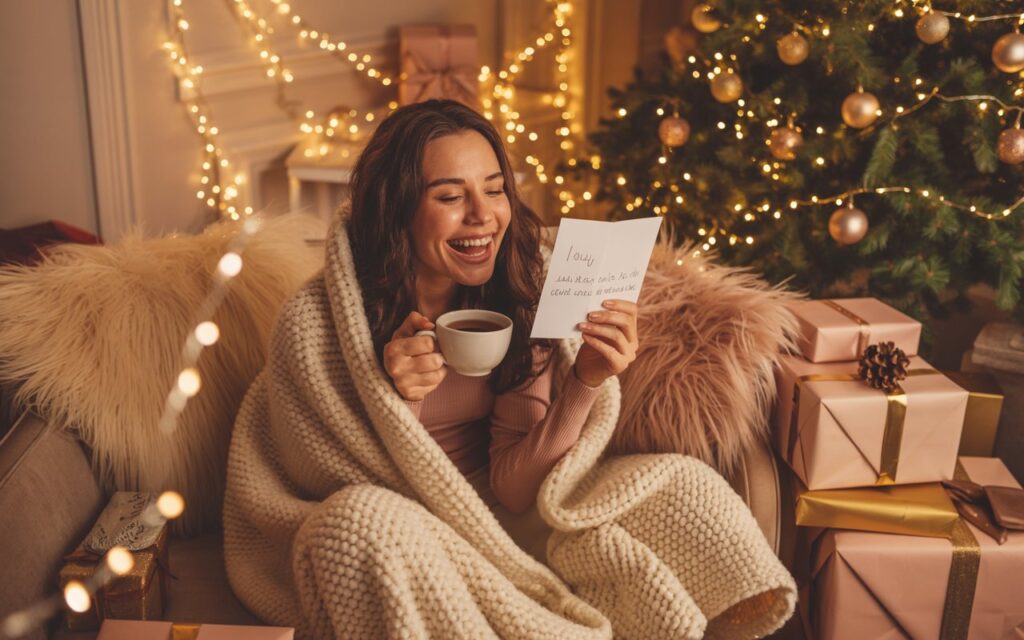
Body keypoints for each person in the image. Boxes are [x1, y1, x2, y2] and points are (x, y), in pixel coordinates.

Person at [347, 99, 638, 532]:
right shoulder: (330, 314)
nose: (483, 216)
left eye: (495, 189)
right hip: (399, 519)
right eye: (449, 196)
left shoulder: (520, 291)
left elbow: (514, 490)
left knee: (682, 480)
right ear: (396, 209)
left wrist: (585, 381)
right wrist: (400, 401)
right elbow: (350, 484)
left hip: (492, 519)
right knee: (356, 523)